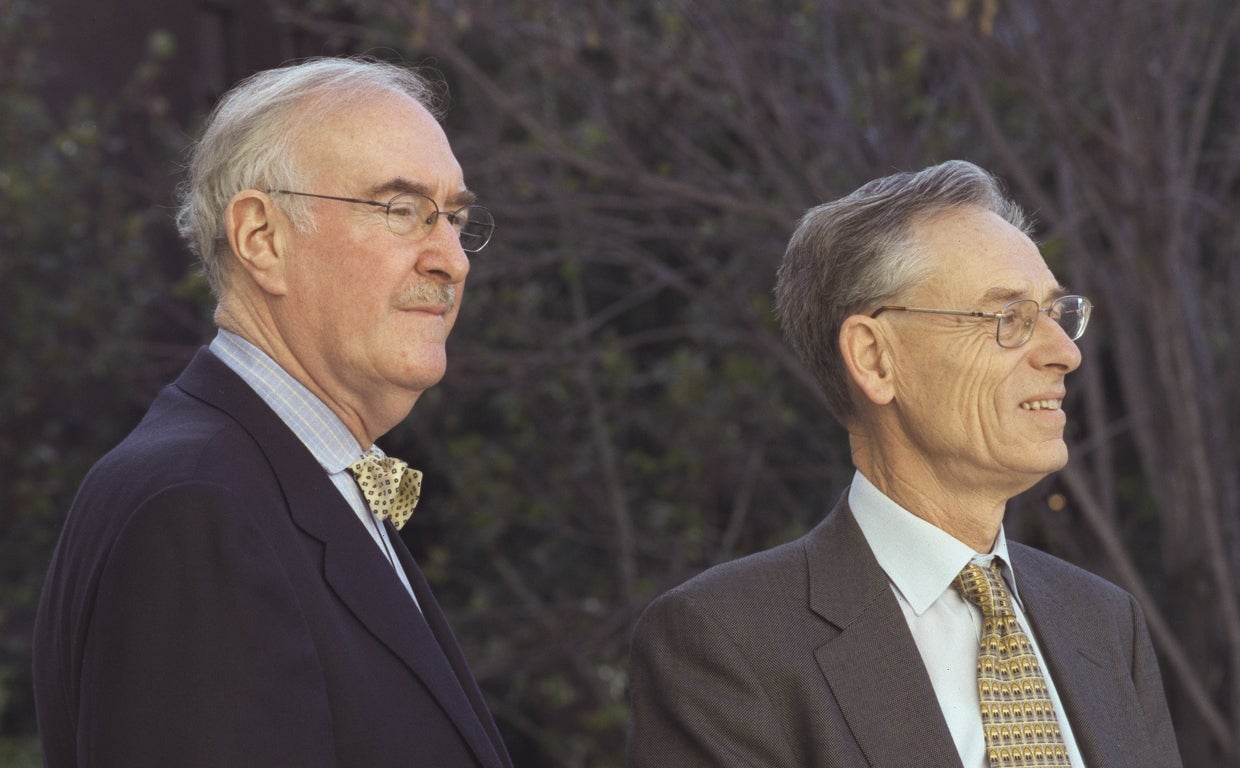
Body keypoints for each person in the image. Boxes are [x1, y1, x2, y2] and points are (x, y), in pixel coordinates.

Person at [33, 56, 512, 767]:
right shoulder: (198, 509)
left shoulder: (266, 482)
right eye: (402, 210)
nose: (452, 260)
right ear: (261, 238)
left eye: (456, 219)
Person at [626, 160, 1181, 767]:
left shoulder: (1106, 624)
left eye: (1056, 314)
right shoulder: (727, 643)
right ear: (874, 358)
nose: (1064, 353)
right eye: (1010, 318)